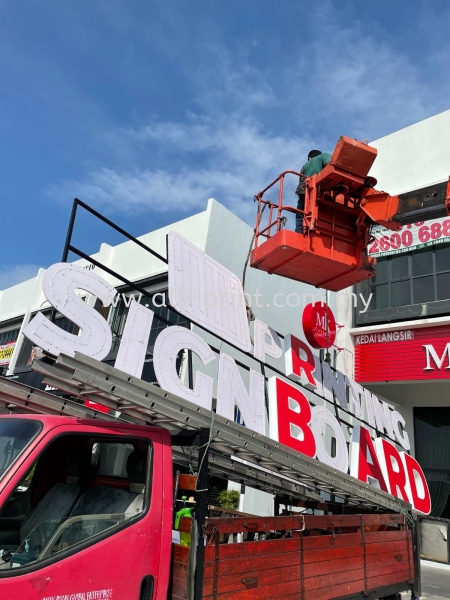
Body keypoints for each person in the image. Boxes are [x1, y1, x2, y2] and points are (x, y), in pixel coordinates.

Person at [295, 149, 332, 233]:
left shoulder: (304, 166)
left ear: (309, 158)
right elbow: (331, 163)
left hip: (303, 191)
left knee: (301, 213)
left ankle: (299, 232)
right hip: (318, 191)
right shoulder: (323, 156)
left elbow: (301, 180)